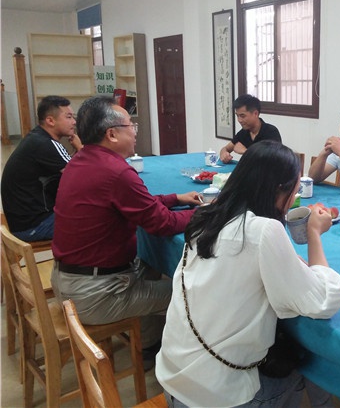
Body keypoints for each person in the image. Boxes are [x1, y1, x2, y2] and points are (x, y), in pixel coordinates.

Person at [156, 140, 340, 407]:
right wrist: (314, 233)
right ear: (280, 190)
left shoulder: (207, 216)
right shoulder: (264, 230)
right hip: (219, 395)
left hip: (175, 379)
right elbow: (322, 301)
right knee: (310, 368)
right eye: (293, 190)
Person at [50, 95, 202, 367]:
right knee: (193, 296)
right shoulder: (116, 172)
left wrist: (175, 198)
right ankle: (178, 359)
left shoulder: (81, 160)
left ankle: (147, 344)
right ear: (111, 134)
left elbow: (137, 204)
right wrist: (205, 213)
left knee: (151, 263)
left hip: (69, 281)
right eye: (130, 125)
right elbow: (162, 224)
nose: (134, 131)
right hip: (96, 293)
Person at [1, 95, 82, 241]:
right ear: (50, 121)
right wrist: (81, 148)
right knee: (101, 218)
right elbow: (83, 177)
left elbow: (70, 167)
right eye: (69, 117)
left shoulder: (37, 137)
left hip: (23, 221)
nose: (74, 122)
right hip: (35, 225)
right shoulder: (46, 144)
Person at [219, 94, 282, 163]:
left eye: (242, 116)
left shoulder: (271, 132)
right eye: (237, 116)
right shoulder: (243, 132)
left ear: (255, 114)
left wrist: (245, 151)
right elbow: (226, 148)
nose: (239, 120)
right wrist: (224, 153)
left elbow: (272, 160)